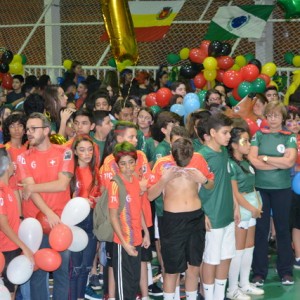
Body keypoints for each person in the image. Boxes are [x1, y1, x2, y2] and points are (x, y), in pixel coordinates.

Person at [17, 112, 74, 300]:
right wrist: (47, 212)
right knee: (38, 271)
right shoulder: (23, 157)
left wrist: (31, 186)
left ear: (47, 130)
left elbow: (62, 184)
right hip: (34, 225)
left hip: (60, 222)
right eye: (27, 129)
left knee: (61, 271)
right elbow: (31, 192)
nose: (29, 133)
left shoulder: (64, 152)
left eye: (34, 129)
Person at [149, 137, 214, 300]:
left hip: (195, 218)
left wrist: (204, 180)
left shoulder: (198, 159)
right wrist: (164, 179)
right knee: (172, 269)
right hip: (172, 221)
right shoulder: (162, 164)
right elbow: (150, 195)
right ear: (172, 152)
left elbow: (211, 184)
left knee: (194, 266)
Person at [248, 101, 297, 286]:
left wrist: (266, 158)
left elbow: (290, 162)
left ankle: (285, 271)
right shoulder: (258, 135)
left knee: (283, 230)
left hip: (282, 189)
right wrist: (277, 162)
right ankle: (259, 272)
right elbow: (253, 160)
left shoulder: (289, 137)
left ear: (282, 117)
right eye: (270, 115)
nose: (273, 118)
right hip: (261, 188)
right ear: (266, 117)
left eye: (276, 115)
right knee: (261, 231)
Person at [197, 113, 238, 300]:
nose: (229, 136)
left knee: (226, 256)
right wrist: (202, 213)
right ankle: (209, 296)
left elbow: (227, 181)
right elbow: (193, 189)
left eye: (229, 132)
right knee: (211, 259)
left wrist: (236, 205)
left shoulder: (223, 152)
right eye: (225, 132)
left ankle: (219, 296)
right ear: (212, 133)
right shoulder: (201, 156)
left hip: (227, 214)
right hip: (211, 216)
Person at [108, 141, 150, 300]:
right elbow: (113, 216)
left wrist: (145, 232)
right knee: (123, 288)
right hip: (122, 243)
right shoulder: (115, 184)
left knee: (133, 282)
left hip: (137, 239)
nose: (127, 167)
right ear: (117, 165)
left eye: (131, 163)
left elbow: (138, 210)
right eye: (123, 164)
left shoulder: (135, 180)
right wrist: (124, 243)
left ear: (136, 162)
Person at [226, 127, 264, 299]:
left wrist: (258, 205)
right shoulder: (231, 165)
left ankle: (245, 284)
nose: (249, 144)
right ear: (234, 144)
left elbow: (253, 186)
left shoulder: (247, 162)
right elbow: (235, 193)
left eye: (249, 140)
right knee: (238, 250)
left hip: (253, 207)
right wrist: (251, 208)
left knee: (249, 248)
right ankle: (232, 289)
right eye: (245, 141)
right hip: (241, 209)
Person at [69, 134, 101, 300]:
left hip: (91, 221)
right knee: (75, 268)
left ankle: (80, 297)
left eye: (89, 150)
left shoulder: (95, 171)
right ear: (75, 152)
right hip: (74, 223)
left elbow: (97, 195)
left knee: (86, 267)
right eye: (82, 150)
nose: (87, 153)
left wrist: (96, 200)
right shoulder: (70, 173)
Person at [0, 147, 34, 299]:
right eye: (12, 161)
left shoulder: (8, 188)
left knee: (11, 291)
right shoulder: (0, 190)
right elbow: (3, 224)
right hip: (5, 249)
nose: (15, 164)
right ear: (7, 166)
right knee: (7, 293)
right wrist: (24, 246)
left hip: (11, 247)